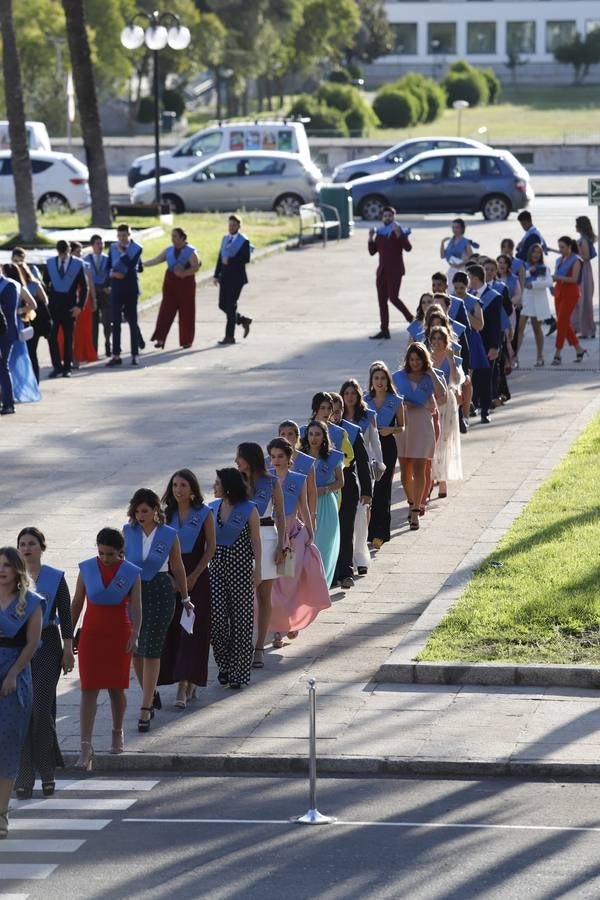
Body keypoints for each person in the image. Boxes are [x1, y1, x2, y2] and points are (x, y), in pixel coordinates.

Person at [70, 528, 142, 767]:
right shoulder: (87, 568)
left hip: (119, 634)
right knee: (88, 688)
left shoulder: (131, 572)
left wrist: (135, 633)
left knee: (116, 688)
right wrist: (68, 637)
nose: (105, 558)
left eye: (110, 554)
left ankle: (117, 731)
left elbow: (138, 608)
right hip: (92, 634)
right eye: (101, 553)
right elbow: (77, 603)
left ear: (120, 552)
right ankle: (85, 748)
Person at [124, 488, 189, 731]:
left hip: (161, 589)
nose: (140, 516)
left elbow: (177, 566)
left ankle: (145, 708)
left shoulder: (168, 534)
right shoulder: (127, 532)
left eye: (145, 511)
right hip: (135, 590)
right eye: (137, 511)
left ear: (154, 511)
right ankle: (149, 694)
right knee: (136, 649)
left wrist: (185, 596)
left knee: (152, 648)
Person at [14, 528, 73, 799]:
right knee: (23, 714)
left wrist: (68, 649)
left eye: (32, 544)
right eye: (22, 544)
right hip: (18, 647)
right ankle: (25, 777)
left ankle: (47, 773)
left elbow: (66, 614)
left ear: (42, 547)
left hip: (48, 644)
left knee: (40, 710)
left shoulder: (55, 577)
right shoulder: (10, 579)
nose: (27, 548)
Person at [159, 470, 215, 708]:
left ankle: (186, 682)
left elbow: (210, 548)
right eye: (174, 485)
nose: (178, 490)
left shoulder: (204, 513)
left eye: (183, 485)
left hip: (197, 575)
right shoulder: (165, 515)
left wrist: (193, 576)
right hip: (171, 574)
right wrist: (171, 578)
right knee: (173, 630)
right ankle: (180, 678)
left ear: (192, 489)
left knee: (192, 629)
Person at [268, 437, 330, 644]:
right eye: (273, 457)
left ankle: (291, 620)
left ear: (289, 457)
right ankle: (277, 629)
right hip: (271, 534)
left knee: (288, 581)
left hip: (293, 535)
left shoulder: (298, 479)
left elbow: (303, 507)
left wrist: (310, 532)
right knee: (273, 583)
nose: (276, 460)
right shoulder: (265, 479)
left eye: (280, 456)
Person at [0, 547, 43, 839]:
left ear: (17, 569)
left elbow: (32, 643)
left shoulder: (31, 602)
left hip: (15, 676)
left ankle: (1, 813)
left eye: (6, 565)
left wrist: (13, 673)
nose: (1, 570)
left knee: (8, 745)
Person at [209, 467, 261, 689]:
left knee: (241, 621)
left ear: (228, 487)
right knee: (217, 619)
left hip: (241, 569)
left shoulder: (249, 510)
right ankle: (225, 664)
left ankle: (238, 672)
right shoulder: (211, 509)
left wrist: (258, 569)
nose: (214, 487)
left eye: (217, 483)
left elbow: (257, 541)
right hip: (216, 569)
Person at [235, 443, 285, 668]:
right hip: (242, 537)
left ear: (249, 458)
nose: (236, 461)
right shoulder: (234, 480)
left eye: (239, 457)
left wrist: (282, 545)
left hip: (267, 536)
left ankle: (258, 648)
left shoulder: (271, 481)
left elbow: (281, 515)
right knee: (241, 597)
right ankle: (241, 644)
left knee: (264, 595)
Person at [393, 343, 447, 529]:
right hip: (404, 426)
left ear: (424, 360)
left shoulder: (430, 377)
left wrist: (431, 372)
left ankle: (416, 509)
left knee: (419, 468)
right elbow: (389, 399)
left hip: (423, 425)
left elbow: (443, 397)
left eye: (418, 359)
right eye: (412, 359)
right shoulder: (398, 377)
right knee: (406, 471)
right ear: (407, 360)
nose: (415, 363)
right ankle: (411, 501)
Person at [341, 378, 384, 576]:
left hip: (363, 470)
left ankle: (360, 557)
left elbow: (375, 442)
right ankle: (345, 557)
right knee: (347, 518)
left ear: (359, 396)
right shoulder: (336, 419)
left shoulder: (367, 416)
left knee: (361, 514)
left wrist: (380, 462)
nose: (350, 397)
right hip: (342, 473)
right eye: (346, 393)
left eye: (353, 393)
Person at [331, 391, 372, 589]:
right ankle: (331, 571)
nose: (333, 416)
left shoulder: (352, 431)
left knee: (346, 530)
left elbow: (363, 463)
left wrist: (367, 491)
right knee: (329, 531)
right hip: (324, 490)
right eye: (329, 411)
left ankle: (346, 572)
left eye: (337, 412)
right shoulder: (313, 432)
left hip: (348, 488)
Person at [363, 362, 404, 549]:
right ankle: (367, 530)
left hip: (387, 445)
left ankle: (380, 533)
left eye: (383, 378)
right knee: (368, 489)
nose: (379, 382)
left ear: (388, 380)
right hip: (368, 445)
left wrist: (392, 429)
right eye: (376, 378)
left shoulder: (395, 400)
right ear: (371, 381)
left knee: (383, 488)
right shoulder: (364, 401)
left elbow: (402, 426)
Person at [300, 420, 343, 586]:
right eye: (311, 434)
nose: (314, 438)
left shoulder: (333, 457)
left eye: (317, 434)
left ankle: (321, 584)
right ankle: (308, 585)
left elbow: (340, 482)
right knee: (308, 545)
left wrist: (323, 489)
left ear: (324, 437)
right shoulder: (300, 457)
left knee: (324, 545)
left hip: (326, 504)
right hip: (306, 505)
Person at [146, 228, 200, 350]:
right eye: (172, 236)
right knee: (165, 311)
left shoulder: (191, 252)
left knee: (187, 313)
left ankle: (186, 340)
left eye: (175, 236)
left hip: (186, 285)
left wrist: (185, 273)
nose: (173, 238)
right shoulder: (169, 250)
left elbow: (196, 266)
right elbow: (156, 260)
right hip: (170, 284)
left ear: (182, 238)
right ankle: (160, 338)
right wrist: (141, 264)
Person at [427, 327, 463, 497]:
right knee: (432, 441)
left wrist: (451, 361)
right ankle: (432, 476)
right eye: (433, 339)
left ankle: (443, 480)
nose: (436, 342)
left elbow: (456, 380)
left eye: (439, 339)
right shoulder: (426, 358)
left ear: (445, 340)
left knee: (444, 441)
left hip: (447, 402)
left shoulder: (451, 357)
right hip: (430, 402)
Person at [368, 206, 413, 340]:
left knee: (393, 297)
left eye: (390, 216)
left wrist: (400, 235)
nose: (387, 218)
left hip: (395, 271)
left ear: (394, 217)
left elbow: (408, 248)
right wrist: (370, 238)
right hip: (382, 272)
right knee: (382, 301)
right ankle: (384, 330)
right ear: (382, 218)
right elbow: (372, 252)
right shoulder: (380, 234)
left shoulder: (398, 230)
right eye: (385, 216)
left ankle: (412, 320)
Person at [45, 239, 87, 378]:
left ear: (69, 250)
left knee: (69, 338)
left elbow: (84, 287)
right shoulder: (50, 263)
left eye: (65, 253)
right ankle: (57, 366)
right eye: (61, 253)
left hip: (70, 308)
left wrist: (80, 306)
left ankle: (67, 367)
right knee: (52, 338)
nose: (63, 256)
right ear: (57, 251)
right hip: (53, 308)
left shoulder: (77, 264)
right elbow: (45, 285)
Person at [468, 265, 502, 425]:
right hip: (470, 344)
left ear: (475, 278)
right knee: (470, 378)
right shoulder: (467, 296)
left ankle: (485, 411)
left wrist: (495, 346)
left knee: (486, 378)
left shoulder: (493, 296)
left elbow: (496, 324)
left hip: (487, 345)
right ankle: (471, 405)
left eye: (469, 278)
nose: (468, 281)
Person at [9, 252, 51, 384]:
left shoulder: (31, 285)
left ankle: (33, 381)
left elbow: (44, 301)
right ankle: (28, 381)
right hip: (26, 321)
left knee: (31, 352)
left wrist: (23, 308)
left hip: (33, 322)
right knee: (28, 352)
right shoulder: (19, 286)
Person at [107, 223, 143, 367]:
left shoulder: (137, 248)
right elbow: (108, 265)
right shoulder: (111, 247)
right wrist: (111, 274)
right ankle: (116, 355)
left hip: (130, 288)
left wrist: (123, 252)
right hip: (116, 287)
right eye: (120, 236)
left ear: (129, 235)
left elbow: (130, 266)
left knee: (132, 322)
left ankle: (135, 354)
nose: (122, 238)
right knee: (115, 323)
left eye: (124, 235)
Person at [2, 264, 39, 404]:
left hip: (13, 324)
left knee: (17, 361)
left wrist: (19, 311)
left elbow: (33, 304)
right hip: (12, 323)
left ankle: (18, 392)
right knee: (9, 363)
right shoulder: (18, 285)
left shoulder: (15, 285)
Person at [213, 215, 252, 345]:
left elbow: (246, 259)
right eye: (230, 225)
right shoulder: (225, 238)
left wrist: (230, 261)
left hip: (237, 278)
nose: (231, 227)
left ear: (239, 226)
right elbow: (220, 257)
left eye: (234, 225)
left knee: (230, 305)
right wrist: (216, 275)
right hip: (224, 277)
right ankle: (241, 320)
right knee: (222, 305)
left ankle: (229, 336)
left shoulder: (243, 241)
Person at [515, 243, 553, 368]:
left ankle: (540, 357)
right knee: (520, 328)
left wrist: (535, 284)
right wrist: (528, 273)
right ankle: (515, 357)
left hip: (538, 301)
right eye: (534, 252)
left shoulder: (544, 268)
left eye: (539, 252)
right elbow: (520, 280)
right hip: (526, 299)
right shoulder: (524, 266)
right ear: (530, 253)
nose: (536, 254)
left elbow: (549, 282)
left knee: (537, 329)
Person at [552, 237, 586, 366]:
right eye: (559, 247)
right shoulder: (560, 260)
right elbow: (556, 276)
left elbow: (574, 279)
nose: (560, 250)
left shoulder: (576, 260)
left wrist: (558, 277)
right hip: (559, 292)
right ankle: (579, 349)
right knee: (564, 323)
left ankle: (557, 354)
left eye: (563, 247)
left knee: (561, 322)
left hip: (571, 293)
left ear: (569, 246)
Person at [85, 235, 112, 358]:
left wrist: (110, 287)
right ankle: (94, 349)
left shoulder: (108, 259)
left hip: (105, 291)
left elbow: (112, 274)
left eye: (101, 243)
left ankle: (108, 343)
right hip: (92, 292)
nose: (100, 246)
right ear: (92, 245)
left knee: (107, 320)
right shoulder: (86, 259)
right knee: (93, 323)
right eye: (97, 243)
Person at [573, 216, 596, 340]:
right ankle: (586, 328)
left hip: (584, 269)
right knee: (584, 299)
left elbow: (585, 256)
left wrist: (575, 249)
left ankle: (587, 330)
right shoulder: (584, 239)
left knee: (584, 299)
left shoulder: (584, 240)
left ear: (580, 226)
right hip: (585, 269)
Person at [440, 218, 477, 283]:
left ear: (462, 228)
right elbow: (442, 256)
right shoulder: (451, 241)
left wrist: (461, 264)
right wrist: (442, 243)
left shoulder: (465, 242)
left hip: (462, 270)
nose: (454, 230)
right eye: (453, 227)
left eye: (457, 227)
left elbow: (472, 259)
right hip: (452, 270)